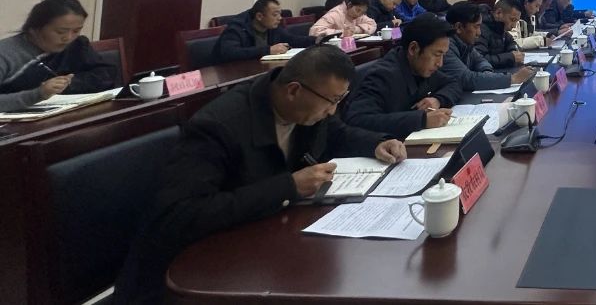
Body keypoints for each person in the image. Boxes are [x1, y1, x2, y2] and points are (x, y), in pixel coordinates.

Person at [112, 47, 405, 303]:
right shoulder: (218, 126)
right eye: (331, 101)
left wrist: (376, 143)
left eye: (340, 101)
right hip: (193, 277)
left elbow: (337, 132)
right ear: (293, 90)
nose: (332, 111)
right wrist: (288, 187)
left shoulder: (307, 108)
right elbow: (180, 215)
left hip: (266, 248)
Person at [345, 15, 461, 138]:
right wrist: (422, 120)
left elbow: (454, 83)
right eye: (437, 54)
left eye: (443, 55)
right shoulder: (382, 76)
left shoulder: (420, 66)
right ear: (413, 49)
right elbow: (357, 120)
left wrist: (438, 100)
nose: (440, 63)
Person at [0, 0, 116, 113]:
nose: (69, 38)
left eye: (76, 31)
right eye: (61, 32)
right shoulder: (6, 53)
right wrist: (39, 93)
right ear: (34, 29)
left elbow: (105, 74)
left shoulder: (77, 45)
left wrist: (66, 84)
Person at [442, 3, 535, 91]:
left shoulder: (465, 42)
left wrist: (487, 73)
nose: (479, 33)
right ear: (459, 27)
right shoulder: (445, 47)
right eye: (476, 27)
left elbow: (480, 60)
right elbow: (467, 79)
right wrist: (513, 79)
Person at [214, 0, 316, 63]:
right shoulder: (237, 28)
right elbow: (230, 53)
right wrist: (268, 50)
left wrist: (317, 40)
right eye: (275, 15)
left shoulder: (272, 27)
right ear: (259, 16)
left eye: (280, 14)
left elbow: (292, 40)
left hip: (259, 68)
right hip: (232, 72)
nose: (280, 18)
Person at [477, 0, 523, 70]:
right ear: (498, 13)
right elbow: (479, 60)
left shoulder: (500, 28)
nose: (514, 26)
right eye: (512, 20)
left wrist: (513, 52)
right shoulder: (480, 29)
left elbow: (511, 42)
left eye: (516, 21)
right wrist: (510, 57)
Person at [310, 0, 377, 38]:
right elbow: (314, 31)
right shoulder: (335, 14)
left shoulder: (360, 15)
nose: (359, 14)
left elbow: (372, 24)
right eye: (357, 10)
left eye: (363, 12)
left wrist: (356, 29)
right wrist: (342, 33)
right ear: (350, 5)